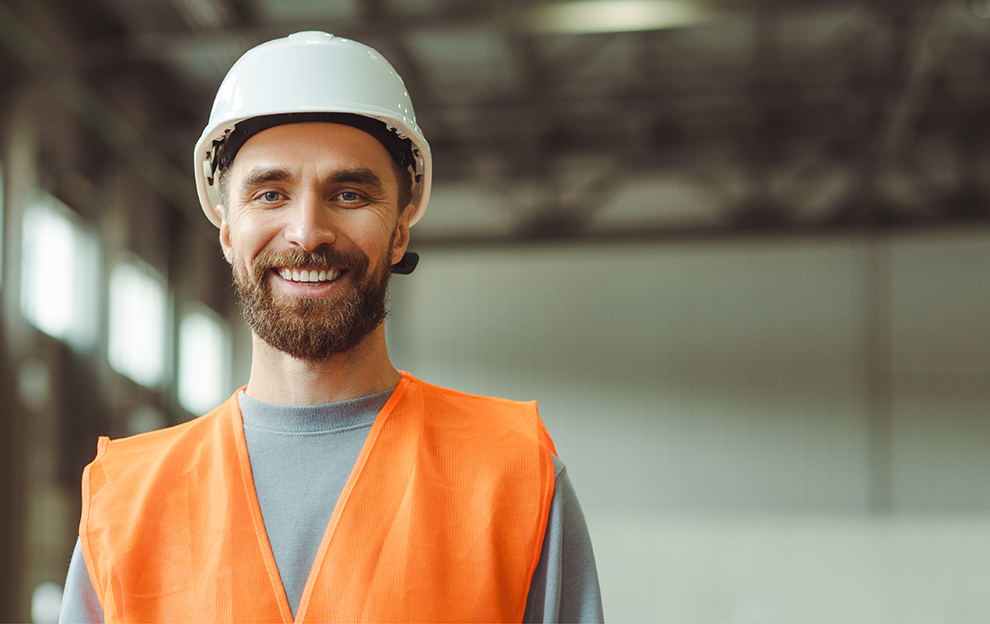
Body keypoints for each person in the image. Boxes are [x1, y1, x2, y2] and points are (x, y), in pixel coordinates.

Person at [59, 31, 602, 623]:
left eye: (348, 194)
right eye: (270, 193)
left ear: (399, 231)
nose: (307, 231)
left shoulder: (513, 475)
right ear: (226, 232)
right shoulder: (126, 504)